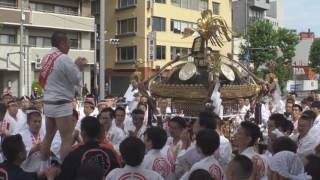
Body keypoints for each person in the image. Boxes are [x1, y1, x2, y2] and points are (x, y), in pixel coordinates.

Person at [40, 32, 88, 166]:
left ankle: (42, 166)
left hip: (48, 102)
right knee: (66, 139)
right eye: (68, 43)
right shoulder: (63, 58)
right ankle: (64, 170)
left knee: (48, 136)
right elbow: (76, 79)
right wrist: (78, 66)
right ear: (62, 43)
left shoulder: (46, 58)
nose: (69, 47)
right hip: (61, 103)